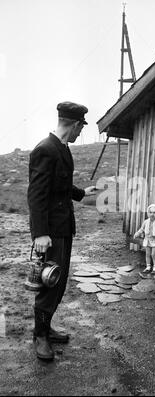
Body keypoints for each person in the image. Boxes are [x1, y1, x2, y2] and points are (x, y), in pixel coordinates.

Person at [27, 101, 96, 361]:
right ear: (75, 125)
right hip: (51, 231)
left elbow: (61, 185)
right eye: (81, 128)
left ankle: (45, 327)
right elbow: (36, 195)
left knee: (58, 282)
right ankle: (40, 337)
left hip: (63, 227)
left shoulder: (62, 149)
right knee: (50, 281)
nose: (81, 133)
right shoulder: (45, 149)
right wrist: (40, 233)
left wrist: (81, 193)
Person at [134, 204, 155, 277]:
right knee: (147, 254)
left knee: (153, 254)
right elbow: (141, 229)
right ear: (148, 213)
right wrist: (137, 233)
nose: (152, 214)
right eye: (150, 212)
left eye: (154, 212)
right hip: (147, 240)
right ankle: (148, 267)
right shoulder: (146, 222)